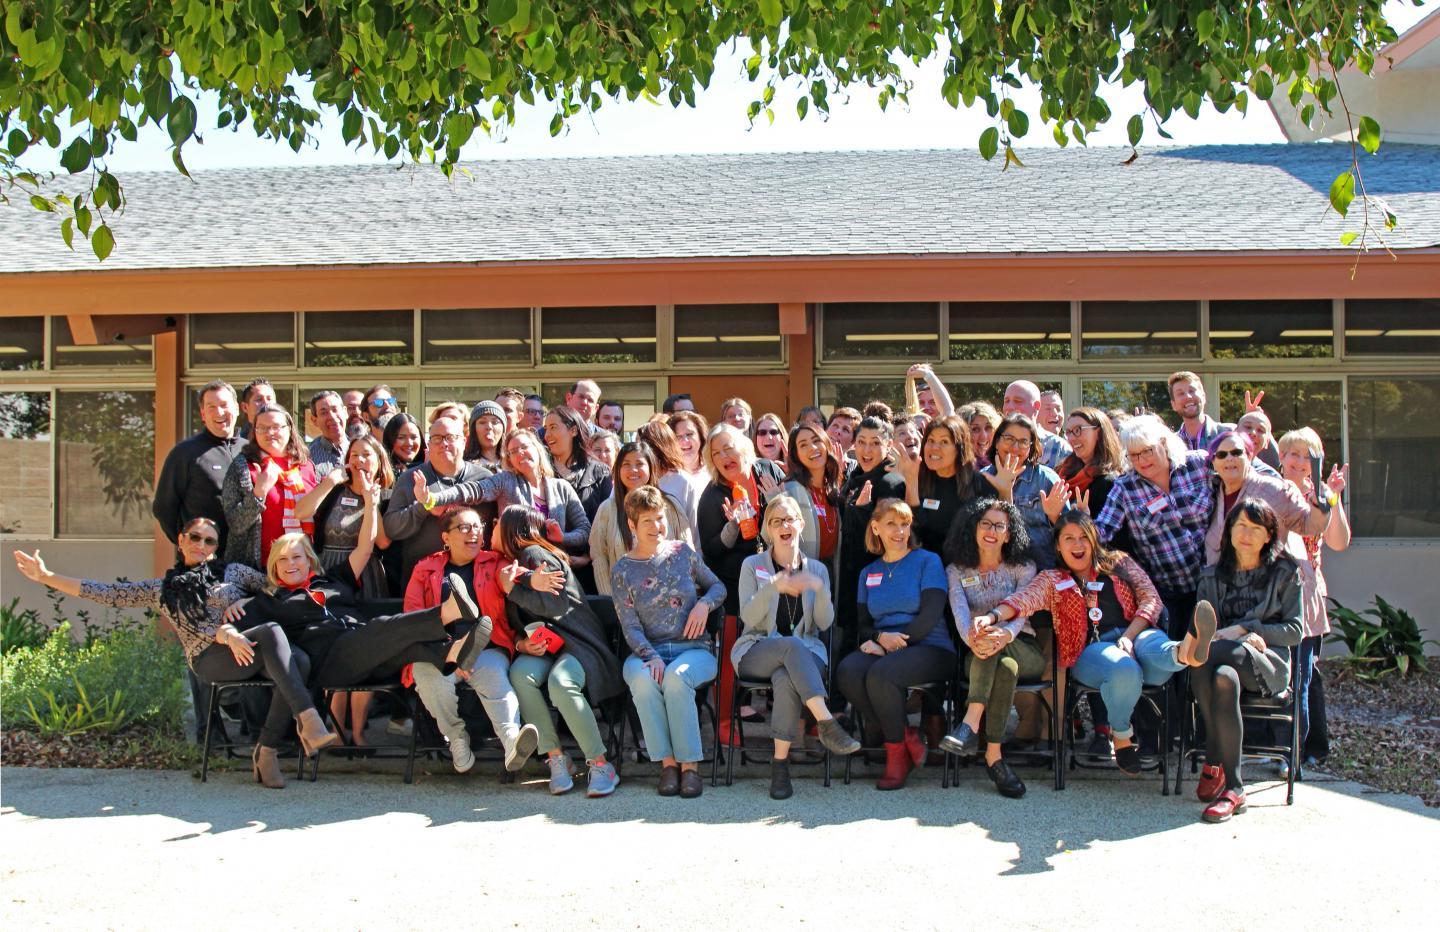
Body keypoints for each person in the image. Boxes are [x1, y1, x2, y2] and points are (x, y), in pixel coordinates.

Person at [12, 518, 339, 789]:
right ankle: (308, 720)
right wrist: (47, 577)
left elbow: (275, 588)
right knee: (271, 635)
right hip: (211, 657)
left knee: (298, 660)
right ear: (181, 540)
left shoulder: (235, 573)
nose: (202, 545)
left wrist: (247, 603)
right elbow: (108, 594)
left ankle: (266, 751)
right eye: (195, 537)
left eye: (210, 541)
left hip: (248, 648)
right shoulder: (163, 589)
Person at [992, 511, 1209, 776]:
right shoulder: (1053, 579)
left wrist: (1128, 637)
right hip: (1092, 649)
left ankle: (1184, 652)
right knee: (1125, 668)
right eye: (1069, 538)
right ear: (1058, 546)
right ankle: (1127, 727)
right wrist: (994, 616)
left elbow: (1151, 599)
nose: (1078, 544)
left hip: (1137, 634)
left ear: (1095, 539)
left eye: (1084, 537)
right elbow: (1023, 599)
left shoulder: (1119, 562)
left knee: (1154, 647)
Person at [403, 508, 554, 773]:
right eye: (464, 528)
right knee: (428, 680)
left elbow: (514, 574)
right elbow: (413, 618)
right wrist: (451, 652)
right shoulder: (425, 568)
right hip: (439, 650)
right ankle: (457, 738)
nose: (473, 533)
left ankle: (511, 743)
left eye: (477, 527)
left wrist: (533, 579)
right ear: (445, 538)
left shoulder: (494, 562)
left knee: (497, 681)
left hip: (485, 647)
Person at [735, 495, 862, 799]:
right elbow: (748, 617)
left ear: (801, 525)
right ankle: (827, 722)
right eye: (776, 521)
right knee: (788, 647)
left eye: (789, 519)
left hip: (806, 651)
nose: (784, 525)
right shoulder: (752, 566)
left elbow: (824, 621)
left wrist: (820, 591)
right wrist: (772, 587)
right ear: (768, 529)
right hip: (756, 649)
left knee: (785, 675)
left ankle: (780, 766)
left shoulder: (817, 569)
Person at [1189, 499, 1304, 823]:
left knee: (1206, 655)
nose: (1247, 534)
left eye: (1256, 528)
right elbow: (1202, 628)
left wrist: (1247, 629)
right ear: (1228, 532)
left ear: (1269, 536)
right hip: (1223, 662)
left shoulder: (1284, 573)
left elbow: (1295, 631)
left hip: (1267, 662)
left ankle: (1213, 757)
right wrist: (1224, 637)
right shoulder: (1212, 577)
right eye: (1240, 526)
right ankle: (1235, 788)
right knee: (1223, 675)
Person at [498, 506, 623, 797]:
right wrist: (521, 643)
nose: (492, 527)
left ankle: (601, 763)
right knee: (520, 674)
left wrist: (513, 591)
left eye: (497, 523)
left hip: (580, 644)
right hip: (550, 647)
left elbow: (555, 606)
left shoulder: (535, 555)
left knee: (561, 683)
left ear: (511, 528)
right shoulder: (513, 562)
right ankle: (556, 757)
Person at [612, 486, 727, 798]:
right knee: (642, 679)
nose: (656, 526)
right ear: (632, 526)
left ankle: (690, 767)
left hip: (694, 649)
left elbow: (718, 587)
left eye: (659, 518)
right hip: (647, 652)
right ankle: (667, 764)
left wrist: (704, 605)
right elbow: (630, 625)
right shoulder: (622, 570)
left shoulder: (682, 554)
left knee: (677, 679)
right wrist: (650, 656)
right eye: (647, 521)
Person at [835, 498, 954, 790]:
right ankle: (907, 737)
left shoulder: (928, 561)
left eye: (904, 524)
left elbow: (931, 614)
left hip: (931, 646)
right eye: (891, 524)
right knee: (848, 671)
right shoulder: (868, 573)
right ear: (875, 527)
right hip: (885, 645)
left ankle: (896, 757)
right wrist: (877, 639)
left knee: (881, 673)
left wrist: (888, 645)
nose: (899, 531)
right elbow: (863, 625)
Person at [937, 499, 1040, 797]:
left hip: (1023, 645)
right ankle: (994, 757)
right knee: (1004, 668)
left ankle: (969, 724)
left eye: (999, 526)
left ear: (1009, 534)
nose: (991, 531)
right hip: (979, 648)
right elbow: (960, 615)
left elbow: (1021, 612)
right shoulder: (956, 570)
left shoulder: (1023, 568)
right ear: (974, 529)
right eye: (985, 523)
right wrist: (976, 640)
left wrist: (1001, 635)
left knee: (1003, 655)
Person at [697, 423, 787, 743]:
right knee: (731, 655)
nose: (724, 456)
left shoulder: (766, 474)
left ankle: (793, 724)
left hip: (776, 582)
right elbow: (712, 551)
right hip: (735, 588)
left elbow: (788, 525)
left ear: (743, 448)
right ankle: (724, 721)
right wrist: (733, 525)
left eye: (728, 448)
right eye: (716, 452)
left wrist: (778, 501)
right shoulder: (713, 494)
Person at [1094, 415, 1215, 638]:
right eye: (1134, 455)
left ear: (1164, 443)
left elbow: (1242, 478)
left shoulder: (1199, 465)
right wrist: (1067, 520)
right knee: (1176, 655)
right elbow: (1101, 532)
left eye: (1147, 451)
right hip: (1167, 591)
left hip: (1214, 584)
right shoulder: (1125, 488)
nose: (1141, 460)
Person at [1278, 427, 1350, 766]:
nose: (1300, 462)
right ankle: (1272, 745)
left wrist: (1333, 499)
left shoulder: (1321, 495)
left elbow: (1338, 542)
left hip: (1306, 594)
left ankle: (1297, 751)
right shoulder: (1267, 488)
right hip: (1270, 592)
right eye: (1294, 453)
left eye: (1308, 456)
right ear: (1281, 456)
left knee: (1303, 675)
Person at [423, 429, 592, 566]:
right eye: (513, 451)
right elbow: (472, 490)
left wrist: (562, 537)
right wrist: (434, 498)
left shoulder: (562, 487)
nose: (520, 453)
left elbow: (585, 530)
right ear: (510, 460)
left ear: (538, 449)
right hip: (515, 568)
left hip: (553, 567)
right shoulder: (506, 480)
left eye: (524, 447)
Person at [382, 413, 492, 587]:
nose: (443, 444)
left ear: (464, 442)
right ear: (429, 444)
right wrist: (423, 507)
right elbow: (391, 529)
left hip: (477, 583)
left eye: (450, 437)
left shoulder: (484, 479)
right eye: (437, 438)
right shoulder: (410, 479)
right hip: (422, 584)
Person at [1204, 430, 1330, 567]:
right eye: (1222, 455)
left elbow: (1310, 524)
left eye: (1236, 453)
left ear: (1249, 456)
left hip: (1267, 585)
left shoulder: (1275, 489)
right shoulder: (1209, 495)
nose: (1229, 458)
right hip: (1221, 584)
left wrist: (1318, 504)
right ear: (1214, 462)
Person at [837, 416, 907, 655]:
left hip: (873, 583)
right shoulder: (852, 479)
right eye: (861, 442)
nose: (867, 450)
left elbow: (891, 538)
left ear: (888, 446)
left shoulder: (890, 482)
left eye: (875, 443)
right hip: (849, 578)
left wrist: (864, 512)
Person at [221, 404, 317, 571]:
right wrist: (259, 492)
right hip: (258, 567)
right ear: (254, 432)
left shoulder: (305, 465)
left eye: (275, 427)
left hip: (302, 567)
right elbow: (236, 524)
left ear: (289, 429)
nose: (269, 433)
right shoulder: (242, 467)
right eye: (262, 428)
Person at [589, 441, 693, 596]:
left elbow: (687, 553)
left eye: (639, 463)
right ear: (618, 469)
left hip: (667, 602)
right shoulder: (607, 509)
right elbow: (599, 557)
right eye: (626, 464)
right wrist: (611, 600)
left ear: (651, 468)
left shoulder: (670, 506)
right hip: (622, 605)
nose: (633, 470)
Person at [153, 379, 244, 551]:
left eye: (224, 405)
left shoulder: (250, 450)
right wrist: (189, 546)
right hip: (204, 560)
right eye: (211, 407)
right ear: (203, 414)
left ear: (237, 409)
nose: (219, 412)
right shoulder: (185, 453)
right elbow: (163, 508)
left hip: (246, 559)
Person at [896, 414, 994, 555]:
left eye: (944, 442)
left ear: (959, 448)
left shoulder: (980, 484)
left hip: (965, 568)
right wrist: (911, 482)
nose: (935, 447)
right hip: (927, 565)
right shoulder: (915, 478)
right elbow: (914, 533)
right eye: (931, 440)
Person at [987, 413, 1067, 569]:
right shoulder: (983, 478)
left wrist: (1055, 517)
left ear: (1031, 448)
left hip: (1042, 572)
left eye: (1023, 442)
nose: (1015, 447)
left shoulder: (1046, 479)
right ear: (997, 442)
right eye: (1009, 439)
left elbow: (1070, 532)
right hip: (996, 574)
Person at [779, 422, 844, 567]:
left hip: (832, 573)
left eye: (816, 441)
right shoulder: (788, 490)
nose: (812, 448)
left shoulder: (834, 489)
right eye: (803, 445)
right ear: (796, 454)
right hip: (801, 574)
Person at [544, 405, 613, 522]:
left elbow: (608, 519)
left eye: (553, 427)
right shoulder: (541, 469)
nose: (547, 435)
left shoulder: (599, 471)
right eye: (546, 429)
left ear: (573, 430)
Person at [1003, 380, 1071, 470]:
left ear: (1037, 406)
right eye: (1007, 401)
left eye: (1018, 401)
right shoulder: (996, 443)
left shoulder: (1059, 447)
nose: (1010, 407)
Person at [1168, 370, 1229, 452]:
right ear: (1173, 405)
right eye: (1181, 393)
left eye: (1192, 390)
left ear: (1203, 397)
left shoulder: (1228, 433)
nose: (1188, 396)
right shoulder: (1169, 444)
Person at [307, 390, 348, 479]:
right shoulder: (308, 456)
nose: (332, 417)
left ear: (345, 412)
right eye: (324, 413)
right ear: (314, 420)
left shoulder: (361, 450)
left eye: (335, 409)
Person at [1236, 409, 1282, 476]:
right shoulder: (1218, 465)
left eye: (1260, 430)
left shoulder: (1270, 476)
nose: (1253, 433)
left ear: (1267, 442)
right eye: (1248, 427)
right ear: (1234, 432)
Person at [381, 412, 425, 482]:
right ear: (390, 440)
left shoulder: (432, 468)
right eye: (401, 438)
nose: (409, 443)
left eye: (414, 437)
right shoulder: (382, 473)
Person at [463, 399, 506, 471]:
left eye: (495, 422)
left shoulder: (514, 464)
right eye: (482, 422)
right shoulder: (464, 467)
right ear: (474, 429)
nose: (489, 427)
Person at [958, 401, 1001, 470]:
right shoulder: (957, 466)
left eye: (988, 427)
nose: (983, 436)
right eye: (975, 429)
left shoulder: (1004, 460)